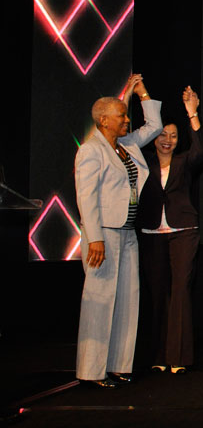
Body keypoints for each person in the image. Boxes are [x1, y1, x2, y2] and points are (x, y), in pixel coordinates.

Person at [74, 74, 162, 388]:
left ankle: (117, 365)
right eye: (121, 116)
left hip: (127, 233)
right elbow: (86, 197)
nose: (126, 120)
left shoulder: (125, 145)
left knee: (127, 299)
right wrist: (95, 238)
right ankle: (91, 371)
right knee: (99, 299)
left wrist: (142, 94)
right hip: (104, 234)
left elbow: (154, 127)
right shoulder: (91, 151)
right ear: (103, 121)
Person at [135, 86, 203, 374]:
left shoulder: (184, 161)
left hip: (183, 231)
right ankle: (159, 355)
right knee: (157, 292)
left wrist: (192, 113)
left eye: (173, 136)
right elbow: (126, 141)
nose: (167, 140)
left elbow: (200, 149)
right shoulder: (142, 162)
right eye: (163, 135)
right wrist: (139, 95)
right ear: (154, 137)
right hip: (152, 233)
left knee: (180, 291)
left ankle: (179, 357)